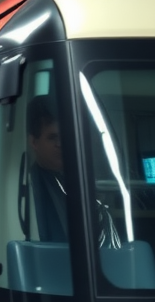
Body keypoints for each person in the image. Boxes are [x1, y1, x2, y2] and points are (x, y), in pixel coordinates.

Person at [27, 97, 120, 248]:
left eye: (65, 137)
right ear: (34, 142)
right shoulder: (32, 184)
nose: (60, 144)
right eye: (52, 138)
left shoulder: (81, 180)